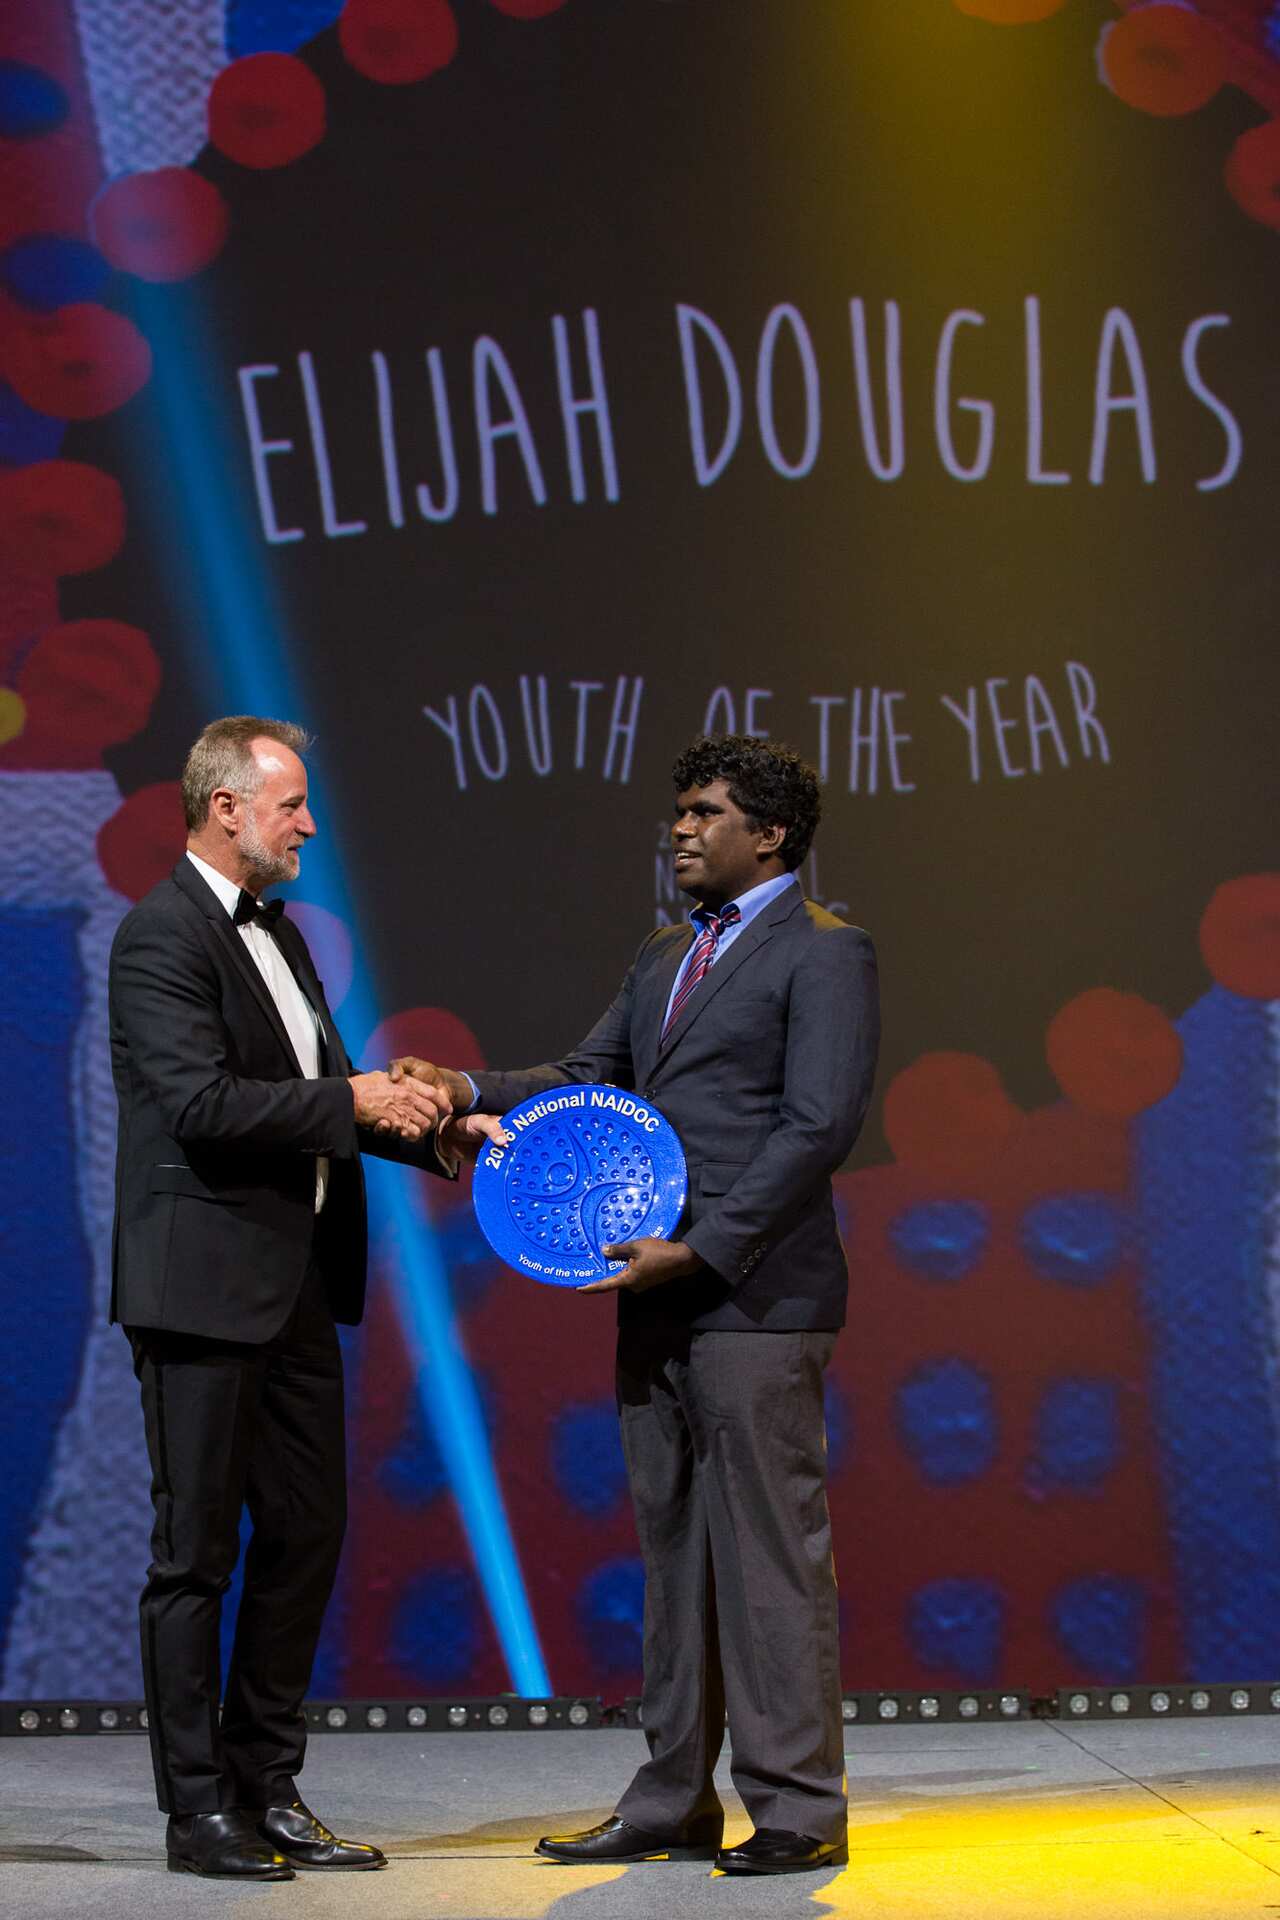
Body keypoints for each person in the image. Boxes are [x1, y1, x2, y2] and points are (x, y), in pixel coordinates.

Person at [394, 734, 880, 1876]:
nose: (679, 828)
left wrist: (702, 1249)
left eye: (704, 811)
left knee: (768, 1557)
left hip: (754, 1297)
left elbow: (817, 1126)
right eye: (677, 811)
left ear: (766, 833)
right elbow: (585, 1078)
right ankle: (671, 1797)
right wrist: (464, 1088)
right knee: (673, 1559)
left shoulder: (827, 953)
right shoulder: (666, 955)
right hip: (650, 1295)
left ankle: (799, 1806)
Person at [108, 716, 500, 1881]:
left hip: (291, 1292)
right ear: (225, 807)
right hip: (198, 1290)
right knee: (195, 1558)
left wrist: (433, 1132)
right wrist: (358, 1102)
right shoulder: (159, 935)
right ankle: (197, 1812)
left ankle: (265, 1784)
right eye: (290, 806)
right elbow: (201, 1105)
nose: (308, 826)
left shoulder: (278, 934)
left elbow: (321, 1096)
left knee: (306, 1535)